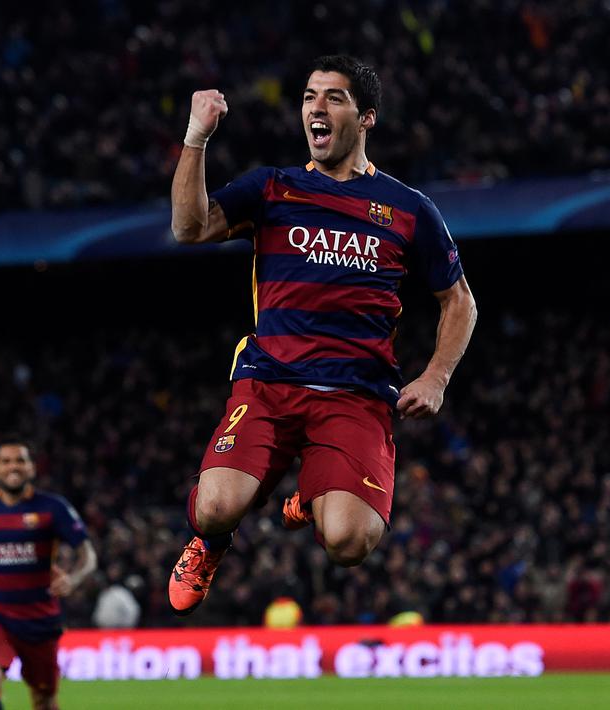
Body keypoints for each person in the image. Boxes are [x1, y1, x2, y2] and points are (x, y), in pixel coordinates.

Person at [167, 54, 478, 616]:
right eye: (310, 97)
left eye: (333, 98)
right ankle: (210, 544)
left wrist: (435, 377)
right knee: (214, 507)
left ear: (366, 119)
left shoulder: (409, 210)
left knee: (349, 543)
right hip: (270, 381)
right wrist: (196, 139)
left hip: (356, 394)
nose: (316, 107)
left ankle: (316, 492)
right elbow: (188, 227)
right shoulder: (272, 189)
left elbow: (459, 301)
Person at [0, 440, 97, 710]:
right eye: (5, 461)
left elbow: (87, 554)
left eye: (20, 460)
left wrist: (73, 578)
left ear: (31, 468)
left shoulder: (53, 507)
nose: (13, 466)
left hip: (40, 619)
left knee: (44, 699)